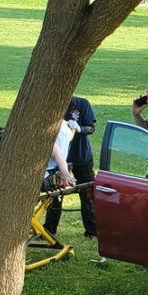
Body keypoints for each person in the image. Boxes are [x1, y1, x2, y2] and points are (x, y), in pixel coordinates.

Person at [43, 96, 98, 238]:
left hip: (80, 156)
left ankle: (92, 230)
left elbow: (91, 127)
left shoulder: (82, 104)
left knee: (86, 192)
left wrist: (80, 129)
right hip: (58, 158)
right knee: (55, 195)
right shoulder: (53, 104)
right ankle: (49, 229)